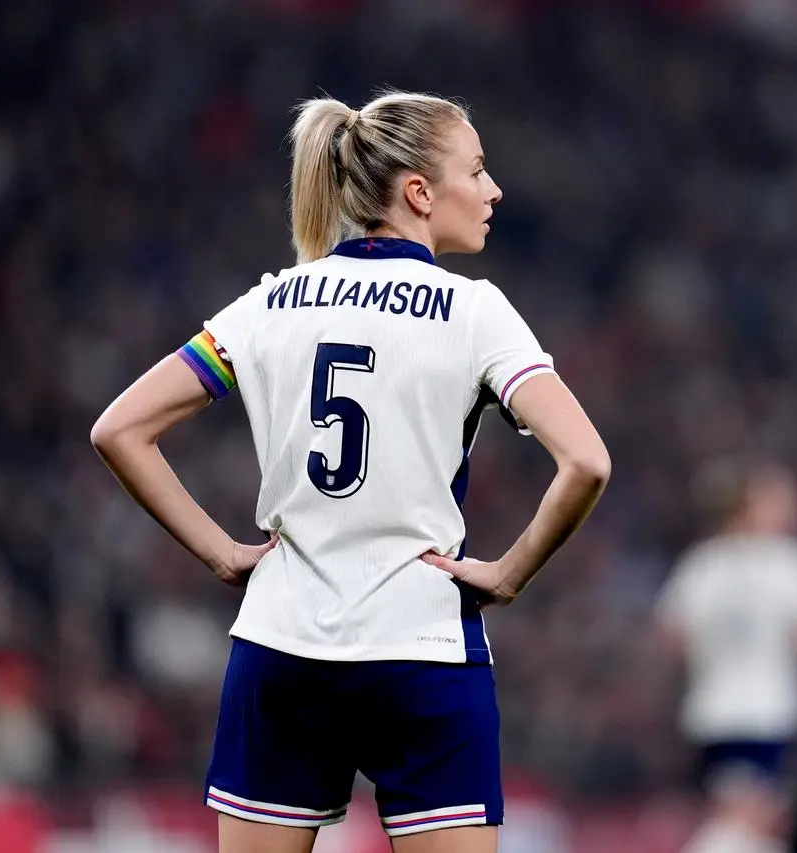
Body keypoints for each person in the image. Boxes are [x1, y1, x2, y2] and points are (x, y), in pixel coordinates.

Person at [90, 91, 610, 853]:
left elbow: (119, 428)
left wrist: (220, 551)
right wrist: (509, 573)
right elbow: (586, 461)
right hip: (423, 648)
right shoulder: (474, 312)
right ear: (419, 192)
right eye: (478, 168)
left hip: (283, 646)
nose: (494, 188)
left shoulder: (269, 303)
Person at [656, 457, 797, 853]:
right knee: (757, 818)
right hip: (771, 709)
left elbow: (672, 636)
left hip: (712, 710)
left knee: (736, 811)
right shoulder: (794, 563)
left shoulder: (702, 564)